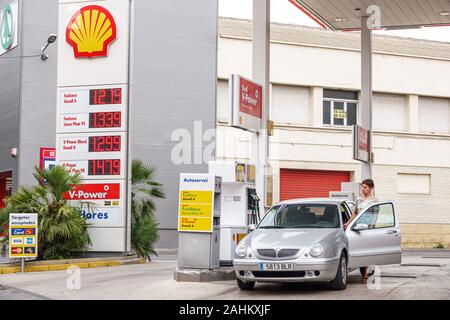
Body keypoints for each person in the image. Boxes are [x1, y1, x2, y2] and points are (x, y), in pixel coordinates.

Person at [343, 178, 378, 284]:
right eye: (362, 187)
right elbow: (354, 213)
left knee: (366, 251)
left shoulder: (374, 201)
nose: (363, 189)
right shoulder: (358, 199)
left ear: (371, 188)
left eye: (365, 187)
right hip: (357, 229)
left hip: (368, 229)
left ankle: (365, 274)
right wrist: (348, 223)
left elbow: (375, 215)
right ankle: (363, 272)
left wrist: (371, 227)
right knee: (359, 251)